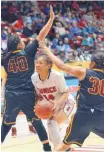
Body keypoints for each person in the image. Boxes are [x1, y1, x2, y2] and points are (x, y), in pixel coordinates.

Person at [1, 6, 55, 152]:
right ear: (19, 44)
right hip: (28, 94)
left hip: (12, 95)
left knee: (6, 123)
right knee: (37, 122)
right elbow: (41, 35)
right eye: (21, 40)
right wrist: (50, 20)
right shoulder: (27, 52)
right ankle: (47, 147)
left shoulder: (4, 58)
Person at [39, 41, 104, 151]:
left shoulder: (84, 72)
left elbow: (61, 66)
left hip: (83, 116)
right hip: (101, 117)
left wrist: (46, 49)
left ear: (92, 64)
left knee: (63, 146)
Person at [31, 54, 76, 149]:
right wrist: (38, 104)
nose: (38, 65)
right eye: (37, 62)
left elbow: (65, 92)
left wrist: (58, 103)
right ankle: (68, 150)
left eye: (41, 63)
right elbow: (39, 96)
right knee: (53, 135)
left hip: (66, 103)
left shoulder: (57, 76)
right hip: (53, 107)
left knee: (51, 124)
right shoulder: (34, 78)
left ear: (48, 65)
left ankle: (60, 150)